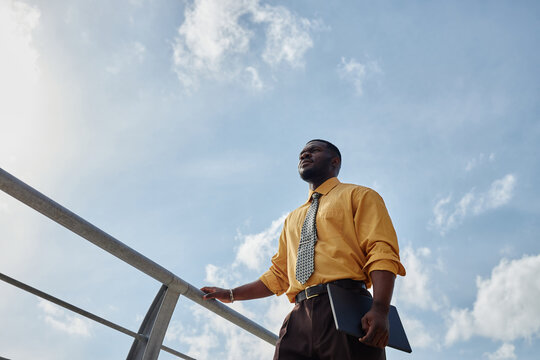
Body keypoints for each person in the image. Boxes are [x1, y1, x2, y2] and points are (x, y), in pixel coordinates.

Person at [201, 139, 406, 360]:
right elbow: (279, 274)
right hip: (298, 318)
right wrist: (232, 294)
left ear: (334, 161)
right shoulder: (292, 219)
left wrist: (381, 308)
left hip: (346, 308)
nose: (305, 155)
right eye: (302, 153)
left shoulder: (360, 196)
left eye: (314, 150)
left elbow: (381, 251)